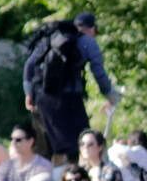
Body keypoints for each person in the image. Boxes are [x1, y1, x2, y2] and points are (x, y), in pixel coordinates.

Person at [19, 9, 116, 156]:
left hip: (43, 97)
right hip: (69, 98)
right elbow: (99, 72)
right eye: (95, 31)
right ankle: (76, 175)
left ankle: (56, 175)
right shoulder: (87, 41)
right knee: (82, 142)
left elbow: (29, 65)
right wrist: (109, 93)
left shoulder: (51, 37)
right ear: (90, 28)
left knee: (48, 147)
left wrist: (28, 94)